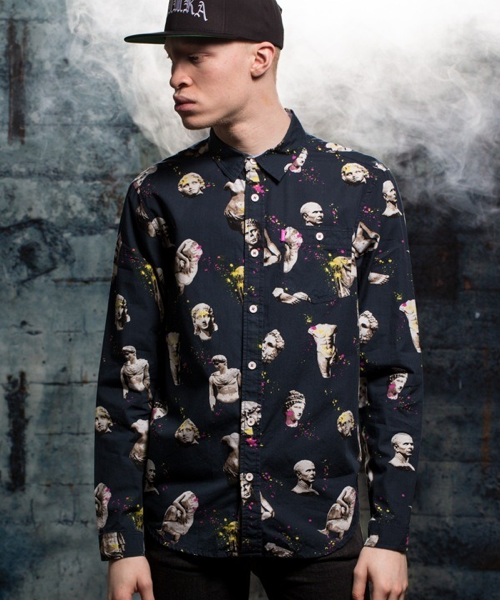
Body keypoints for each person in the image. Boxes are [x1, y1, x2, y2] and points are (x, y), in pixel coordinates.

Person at [95, 1, 423, 599]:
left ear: (260, 58)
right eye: (171, 60)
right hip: (183, 529)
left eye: (196, 57)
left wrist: (390, 535)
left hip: (321, 523)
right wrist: (123, 541)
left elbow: (392, 371)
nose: (176, 78)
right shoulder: (156, 196)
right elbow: (127, 373)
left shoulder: (360, 188)